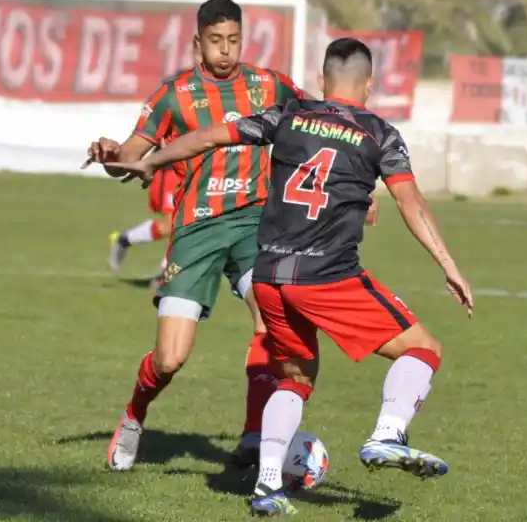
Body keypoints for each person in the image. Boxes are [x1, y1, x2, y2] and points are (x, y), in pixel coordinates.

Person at [102, 37, 474, 517]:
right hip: (327, 275)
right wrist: (448, 265)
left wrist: (150, 160)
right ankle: (388, 434)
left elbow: (212, 136)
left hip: (271, 274)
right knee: (423, 348)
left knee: (296, 377)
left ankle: (268, 484)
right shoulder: (378, 132)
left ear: (322, 80)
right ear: (369, 84)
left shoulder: (289, 115)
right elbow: (411, 202)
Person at [82, 0, 309, 471]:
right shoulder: (175, 94)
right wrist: (108, 153)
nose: (225, 51)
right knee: (170, 358)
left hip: (254, 224)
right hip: (197, 229)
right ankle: (133, 415)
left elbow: (319, 126)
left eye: (233, 40)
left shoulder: (270, 85)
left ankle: (253, 435)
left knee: (271, 321)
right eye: (215, 41)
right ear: (197, 43)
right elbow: (131, 161)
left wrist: (357, 189)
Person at [107, 43, 203, 288]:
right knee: (175, 224)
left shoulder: (218, 90)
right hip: (170, 168)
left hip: (197, 169)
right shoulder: (175, 85)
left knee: (190, 223)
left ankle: (162, 273)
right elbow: (156, 123)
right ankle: (126, 243)